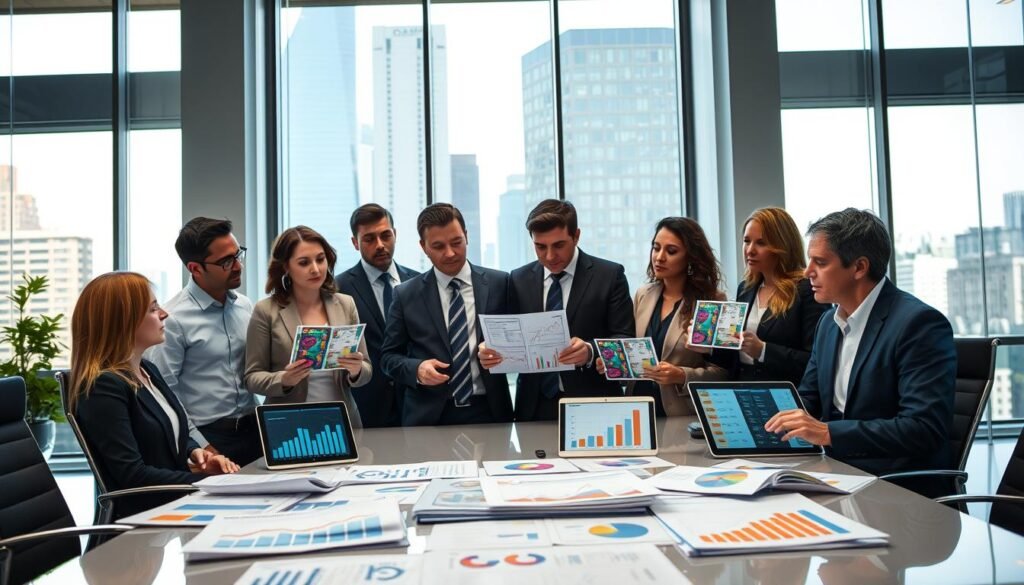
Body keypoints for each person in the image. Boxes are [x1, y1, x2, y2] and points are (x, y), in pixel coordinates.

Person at [765, 208, 956, 496]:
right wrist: (755, 418)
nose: (807, 273)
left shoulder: (918, 324)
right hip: (836, 474)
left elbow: (922, 428)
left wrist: (828, 433)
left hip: (898, 489)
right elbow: (809, 399)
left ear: (858, 268)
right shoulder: (828, 323)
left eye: (820, 262)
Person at [70, 272, 238, 519]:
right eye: (152, 309)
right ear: (123, 321)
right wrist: (204, 480)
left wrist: (195, 453)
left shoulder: (147, 369)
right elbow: (132, 475)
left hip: (174, 510)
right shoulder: (102, 387)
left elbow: (168, 433)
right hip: (140, 524)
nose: (164, 314)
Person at [478, 199, 634, 421]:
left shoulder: (609, 276)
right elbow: (507, 333)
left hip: (595, 404)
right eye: (540, 247)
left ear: (576, 235)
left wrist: (590, 351)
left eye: (559, 245)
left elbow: (626, 340)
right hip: (533, 407)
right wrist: (489, 348)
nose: (550, 256)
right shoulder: (518, 279)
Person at [381, 203, 514, 426]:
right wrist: (417, 369)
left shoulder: (501, 283)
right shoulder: (405, 295)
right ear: (424, 247)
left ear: (467, 237)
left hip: (489, 412)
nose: (450, 253)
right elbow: (388, 357)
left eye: (456, 242)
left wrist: (500, 349)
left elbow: (519, 341)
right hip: (428, 416)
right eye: (439, 246)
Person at [145, 217, 262, 465]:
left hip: (255, 430)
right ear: (195, 268)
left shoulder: (245, 306)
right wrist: (202, 445)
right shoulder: (173, 319)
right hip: (210, 437)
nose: (238, 266)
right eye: (226, 261)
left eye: (238, 254)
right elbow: (166, 393)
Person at [244, 225, 371, 427]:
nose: (315, 269)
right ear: (286, 267)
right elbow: (251, 377)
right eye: (304, 262)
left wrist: (356, 370)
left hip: (342, 421)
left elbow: (366, 369)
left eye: (320, 259)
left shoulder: (345, 304)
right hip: (289, 425)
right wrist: (285, 379)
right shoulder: (266, 311)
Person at [601, 217, 727, 416]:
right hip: (637, 408)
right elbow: (635, 355)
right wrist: (614, 362)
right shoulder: (643, 294)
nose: (659, 257)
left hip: (682, 413)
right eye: (656, 247)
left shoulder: (712, 302)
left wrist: (681, 375)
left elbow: (722, 375)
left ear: (691, 257)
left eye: (671, 251)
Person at [709, 207, 829, 386]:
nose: (750, 250)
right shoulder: (745, 289)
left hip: (786, 395)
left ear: (782, 246)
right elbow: (733, 359)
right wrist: (709, 347)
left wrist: (763, 350)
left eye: (761, 243)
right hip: (741, 389)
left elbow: (817, 361)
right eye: (746, 241)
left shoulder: (807, 289)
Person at [335, 204, 420, 427]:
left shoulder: (420, 283)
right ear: (355, 243)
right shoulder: (338, 289)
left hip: (418, 403)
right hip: (366, 407)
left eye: (386, 235)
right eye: (369, 239)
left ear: (395, 234)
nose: (380, 245)